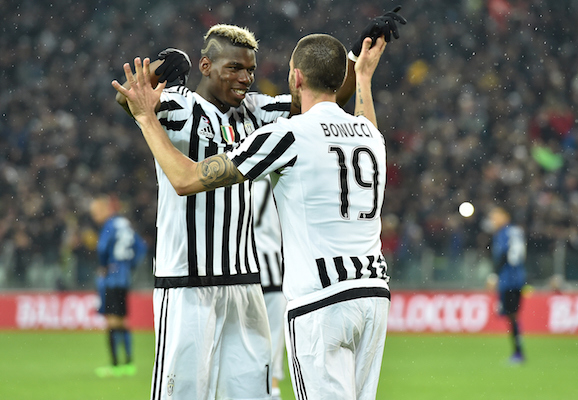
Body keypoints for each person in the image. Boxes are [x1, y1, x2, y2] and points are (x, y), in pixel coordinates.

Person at [113, 8, 404, 399]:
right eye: (234, 68)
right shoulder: (181, 105)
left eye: (249, 70)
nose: (245, 79)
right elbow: (129, 97)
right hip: (187, 280)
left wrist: (353, 59)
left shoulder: (258, 110)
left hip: (244, 282)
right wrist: (165, 63)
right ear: (206, 66)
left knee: (256, 394)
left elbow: (324, 97)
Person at [90, 195, 148, 377]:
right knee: (122, 319)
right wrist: (129, 265)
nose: (95, 217)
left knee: (112, 320)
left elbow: (102, 248)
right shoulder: (124, 224)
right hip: (124, 277)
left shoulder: (109, 225)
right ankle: (129, 363)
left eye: (96, 212)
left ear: (106, 209)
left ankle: (115, 365)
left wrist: (104, 266)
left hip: (112, 277)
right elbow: (141, 247)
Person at [253, 176, 286, 400]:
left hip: (243, 267)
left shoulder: (236, 171)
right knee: (273, 336)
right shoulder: (278, 177)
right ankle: (271, 390)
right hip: (273, 267)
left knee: (243, 338)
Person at [486, 206, 527, 364]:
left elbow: (504, 255)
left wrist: (494, 275)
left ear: (505, 216)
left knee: (510, 315)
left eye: (495, 216)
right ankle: (518, 350)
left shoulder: (504, 233)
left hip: (508, 279)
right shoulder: (516, 231)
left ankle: (518, 352)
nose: (493, 220)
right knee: (512, 315)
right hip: (518, 278)